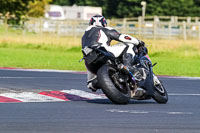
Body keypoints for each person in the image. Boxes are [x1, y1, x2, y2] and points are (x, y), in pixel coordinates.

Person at [82, 15, 145, 92]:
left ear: (90, 23)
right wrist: (138, 42)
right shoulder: (105, 29)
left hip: (89, 60)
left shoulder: (85, 34)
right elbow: (123, 37)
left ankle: (96, 83)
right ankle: (128, 66)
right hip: (102, 51)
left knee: (91, 85)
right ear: (104, 23)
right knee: (129, 45)